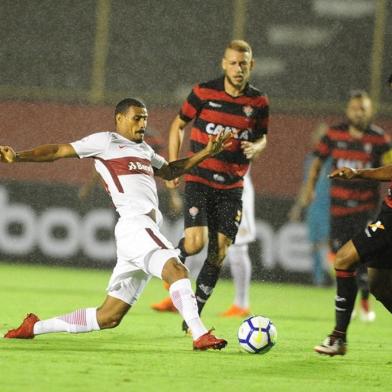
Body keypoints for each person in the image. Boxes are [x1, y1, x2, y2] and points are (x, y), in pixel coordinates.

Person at [0, 97, 232, 351]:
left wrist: (206, 152)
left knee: (108, 316)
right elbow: (58, 151)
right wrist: (18, 156)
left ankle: (34, 327)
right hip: (135, 225)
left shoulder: (144, 150)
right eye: (136, 117)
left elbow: (169, 171)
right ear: (119, 118)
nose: (142, 123)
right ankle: (199, 333)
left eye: (145, 118)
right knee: (176, 269)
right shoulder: (106, 141)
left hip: (139, 232)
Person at [151, 40, 269, 330]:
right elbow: (178, 124)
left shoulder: (258, 102)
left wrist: (257, 147)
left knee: (219, 251)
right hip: (200, 178)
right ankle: (172, 260)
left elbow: (262, 136)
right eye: (233, 63)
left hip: (232, 185)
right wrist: (174, 162)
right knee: (195, 244)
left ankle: (193, 317)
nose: (238, 68)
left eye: (243, 63)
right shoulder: (204, 92)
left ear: (251, 65)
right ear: (223, 64)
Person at [301, 91, 392, 323]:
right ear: (347, 110)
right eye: (354, 108)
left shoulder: (380, 139)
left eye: (363, 109)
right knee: (340, 256)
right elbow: (317, 161)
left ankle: (358, 306)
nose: (358, 112)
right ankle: (353, 300)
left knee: (357, 257)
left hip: (366, 209)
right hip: (339, 208)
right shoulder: (334, 134)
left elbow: (389, 168)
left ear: (370, 111)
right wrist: (309, 188)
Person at [314, 164, 392, 356]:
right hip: (387, 212)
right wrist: (357, 173)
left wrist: (359, 173)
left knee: (343, 259)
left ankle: (338, 337)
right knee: (379, 285)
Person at [289, 124, 332, 286]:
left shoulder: (334, 160)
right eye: (318, 136)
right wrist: (297, 207)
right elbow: (306, 184)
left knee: (328, 243)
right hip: (314, 207)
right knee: (314, 243)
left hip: (330, 206)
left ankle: (337, 278)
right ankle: (318, 279)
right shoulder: (310, 159)